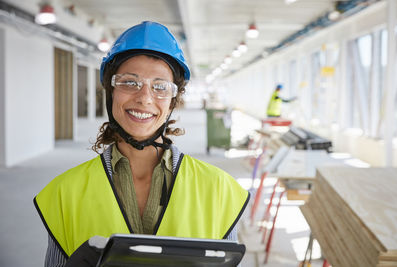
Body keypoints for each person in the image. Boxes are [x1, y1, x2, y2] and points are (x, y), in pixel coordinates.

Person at [34, 21, 249, 267]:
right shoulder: (65, 193)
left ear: (172, 100)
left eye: (160, 87)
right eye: (129, 82)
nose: (144, 98)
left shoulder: (220, 190)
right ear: (110, 91)